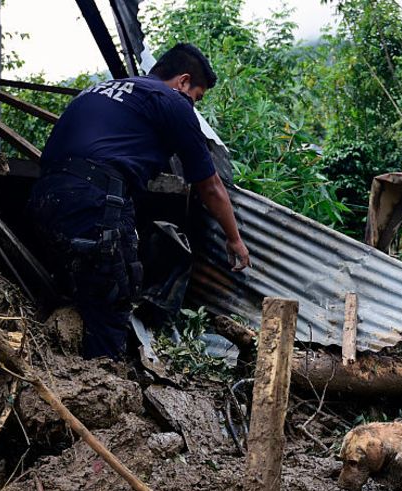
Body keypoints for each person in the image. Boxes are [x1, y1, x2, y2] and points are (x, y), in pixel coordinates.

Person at [28, 43, 250, 360]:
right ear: (183, 81)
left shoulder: (98, 90)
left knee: (73, 293)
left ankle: (59, 374)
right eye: (197, 97)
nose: (193, 105)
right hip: (95, 202)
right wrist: (234, 239)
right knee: (111, 303)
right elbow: (210, 186)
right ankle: (102, 394)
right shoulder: (171, 100)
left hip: (44, 199)